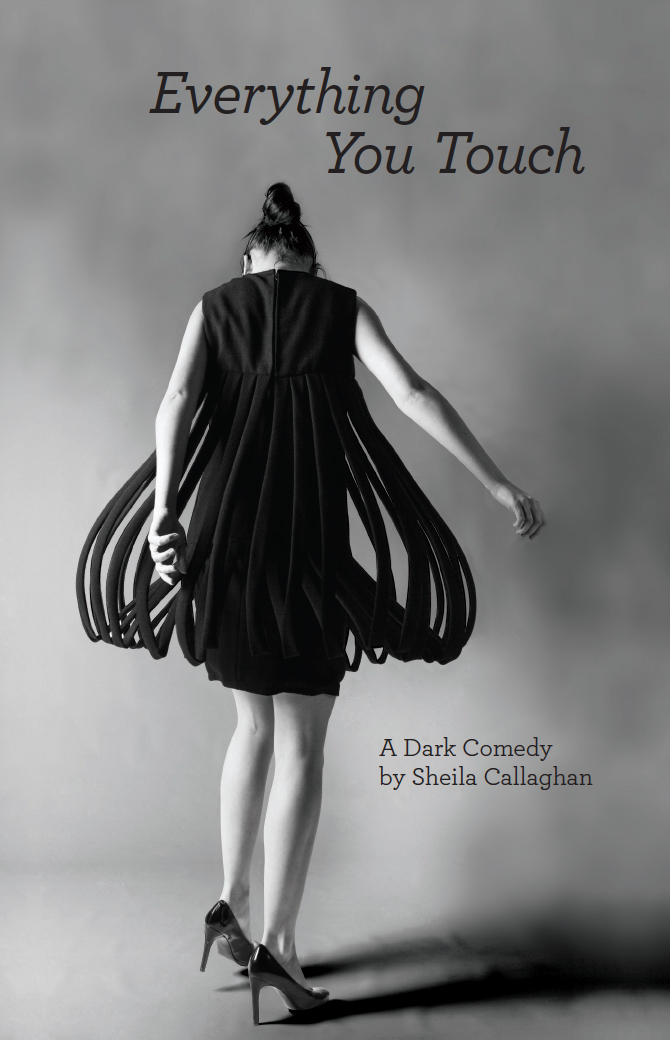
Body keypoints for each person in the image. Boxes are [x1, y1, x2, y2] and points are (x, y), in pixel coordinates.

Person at [77, 182, 545, 1025]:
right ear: (311, 263)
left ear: (249, 261)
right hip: (305, 548)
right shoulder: (343, 307)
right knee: (302, 742)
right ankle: (280, 948)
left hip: (223, 543)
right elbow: (412, 394)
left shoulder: (214, 307)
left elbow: (176, 402)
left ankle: (230, 902)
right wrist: (497, 483)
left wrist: (164, 510)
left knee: (252, 726)